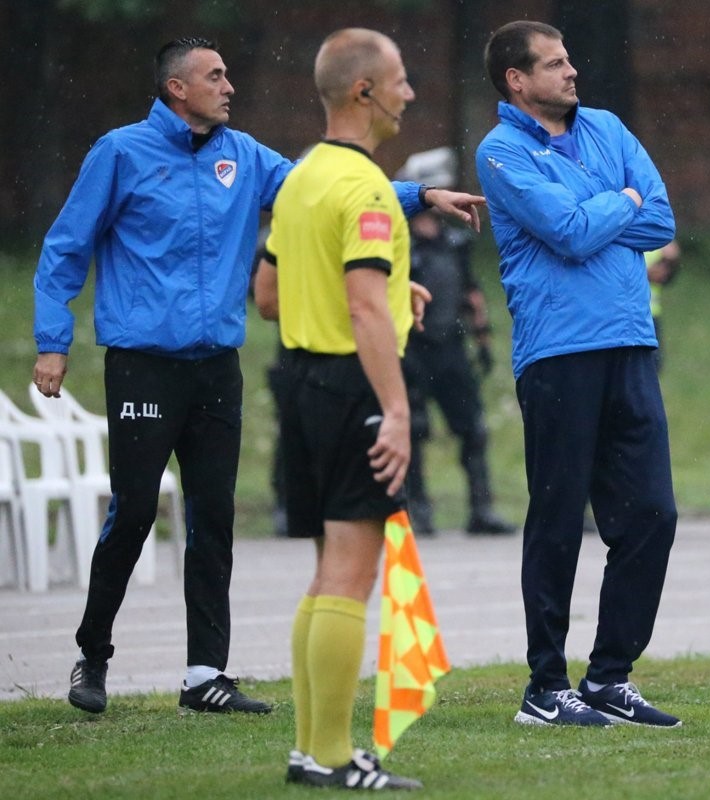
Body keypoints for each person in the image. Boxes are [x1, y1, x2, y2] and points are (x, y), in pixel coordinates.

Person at [32, 36, 483, 718]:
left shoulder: (242, 157)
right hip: (143, 367)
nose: (229, 86)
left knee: (214, 517)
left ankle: (205, 674)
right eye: (214, 76)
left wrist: (420, 195)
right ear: (177, 89)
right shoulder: (120, 153)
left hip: (217, 367)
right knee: (134, 511)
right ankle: (92, 653)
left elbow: (325, 192)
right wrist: (52, 341)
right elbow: (65, 248)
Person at [476, 21, 681, 727]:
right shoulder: (500, 151)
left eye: (569, 58)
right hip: (557, 353)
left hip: (629, 340)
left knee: (654, 513)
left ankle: (608, 679)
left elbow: (661, 219)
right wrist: (620, 200)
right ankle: (544, 687)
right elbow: (566, 232)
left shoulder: (608, 127)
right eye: (554, 63)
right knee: (559, 519)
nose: (571, 72)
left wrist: (613, 212)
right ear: (517, 79)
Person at [255, 27, 439, 790]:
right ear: (364, 91)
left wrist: (398, 291)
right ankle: (330, 757)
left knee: (327, 573)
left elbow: (267, 296)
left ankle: (311, 750)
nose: (411, 91)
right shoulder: (364, 187)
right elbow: (365, 311)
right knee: (352, 575)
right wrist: (394, 411)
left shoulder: (302, 176)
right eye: (399, 78)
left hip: (299, 381)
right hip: (350, 389)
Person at [395, 148, 517, 537]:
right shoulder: (400, 241)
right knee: (413, 429)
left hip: (451, 347)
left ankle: (481, 508)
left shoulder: (455, 242)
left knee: (473, 428)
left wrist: (482, 338)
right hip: (412, 348)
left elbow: (471, 292)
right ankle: (419, 510)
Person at [644, 239, 682, 373]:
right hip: (628, 314)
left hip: (651, 313)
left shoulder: (658, 238)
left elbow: (666, 276)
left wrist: (672, 261)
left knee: (654, 363)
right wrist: (644, 273)